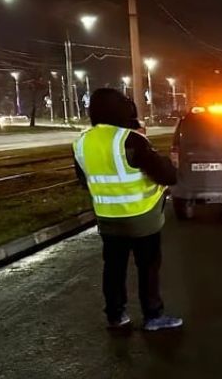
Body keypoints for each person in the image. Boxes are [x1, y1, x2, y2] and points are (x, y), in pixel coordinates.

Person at [72, 88, 182, 331]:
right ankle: (152, 316)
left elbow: (83, 180)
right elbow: (167, 175)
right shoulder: (131, 140)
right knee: (148, 267)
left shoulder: (81, 142)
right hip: (142, 217)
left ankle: (115, 315)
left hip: (108, 218)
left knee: (113, 268)